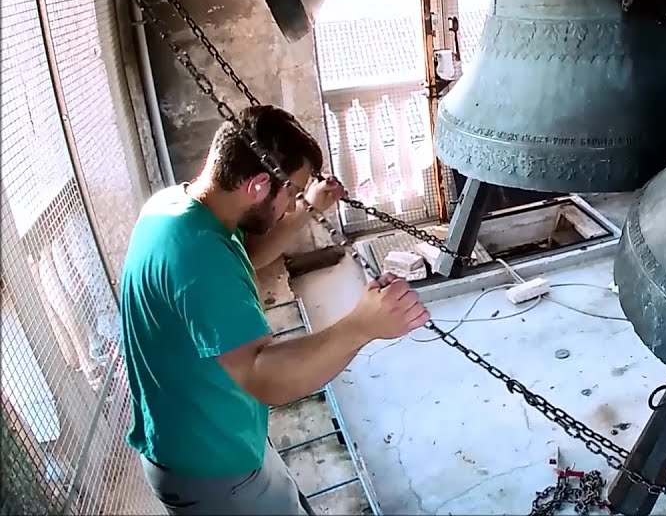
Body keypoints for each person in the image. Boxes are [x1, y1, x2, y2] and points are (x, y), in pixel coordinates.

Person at [119, 105, 432, 515]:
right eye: (292, 192)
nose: (291, 204)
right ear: (258, 185)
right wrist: (362, 325)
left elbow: (246, 257)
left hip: (210, 434)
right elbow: (264, 376)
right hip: (211, 468)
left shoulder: (180, 209)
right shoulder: (200, 260)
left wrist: (308, 208)